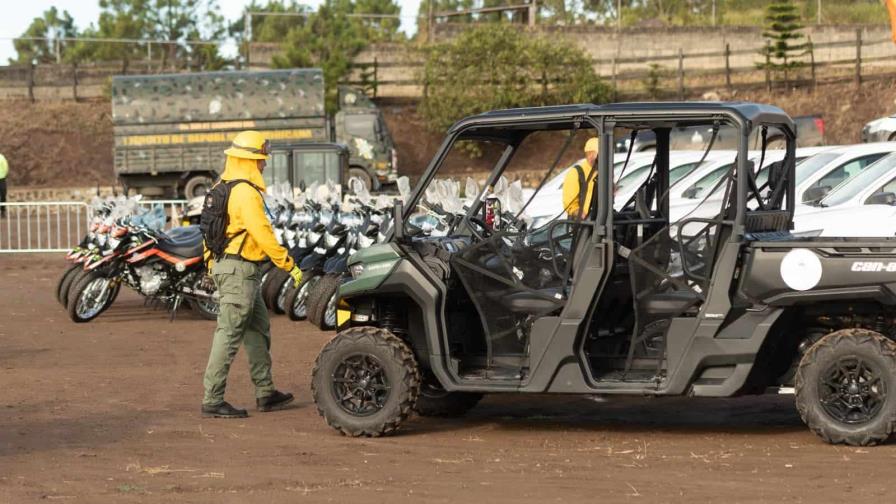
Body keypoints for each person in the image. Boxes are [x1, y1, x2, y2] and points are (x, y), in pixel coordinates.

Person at [201, 131, 303, 419]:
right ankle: (212, 398)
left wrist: (211, 264)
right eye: (260, 160)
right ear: (248, 161)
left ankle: (266, 392)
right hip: (239, 270)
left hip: (232, 268)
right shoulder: (245, 193)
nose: (264, 165)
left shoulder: (221, 186)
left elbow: (207, 231)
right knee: (229, 333)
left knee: (257, 328)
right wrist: (288, 265)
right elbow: (262, 233)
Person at [561, 137, 599, 219]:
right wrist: (583, 217)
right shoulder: (576, 172)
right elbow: (570, 205)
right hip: (583, 224)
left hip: (601, 220)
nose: (591, 156)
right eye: (590, 153)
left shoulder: (605, 172)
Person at [0, 152, 7, 218]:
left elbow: (6, 168)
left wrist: (4, 175)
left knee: (3, 195)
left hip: (1, 178)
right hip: (2, 179)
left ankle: (3, 211)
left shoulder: (2, 157)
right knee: (3, 194)